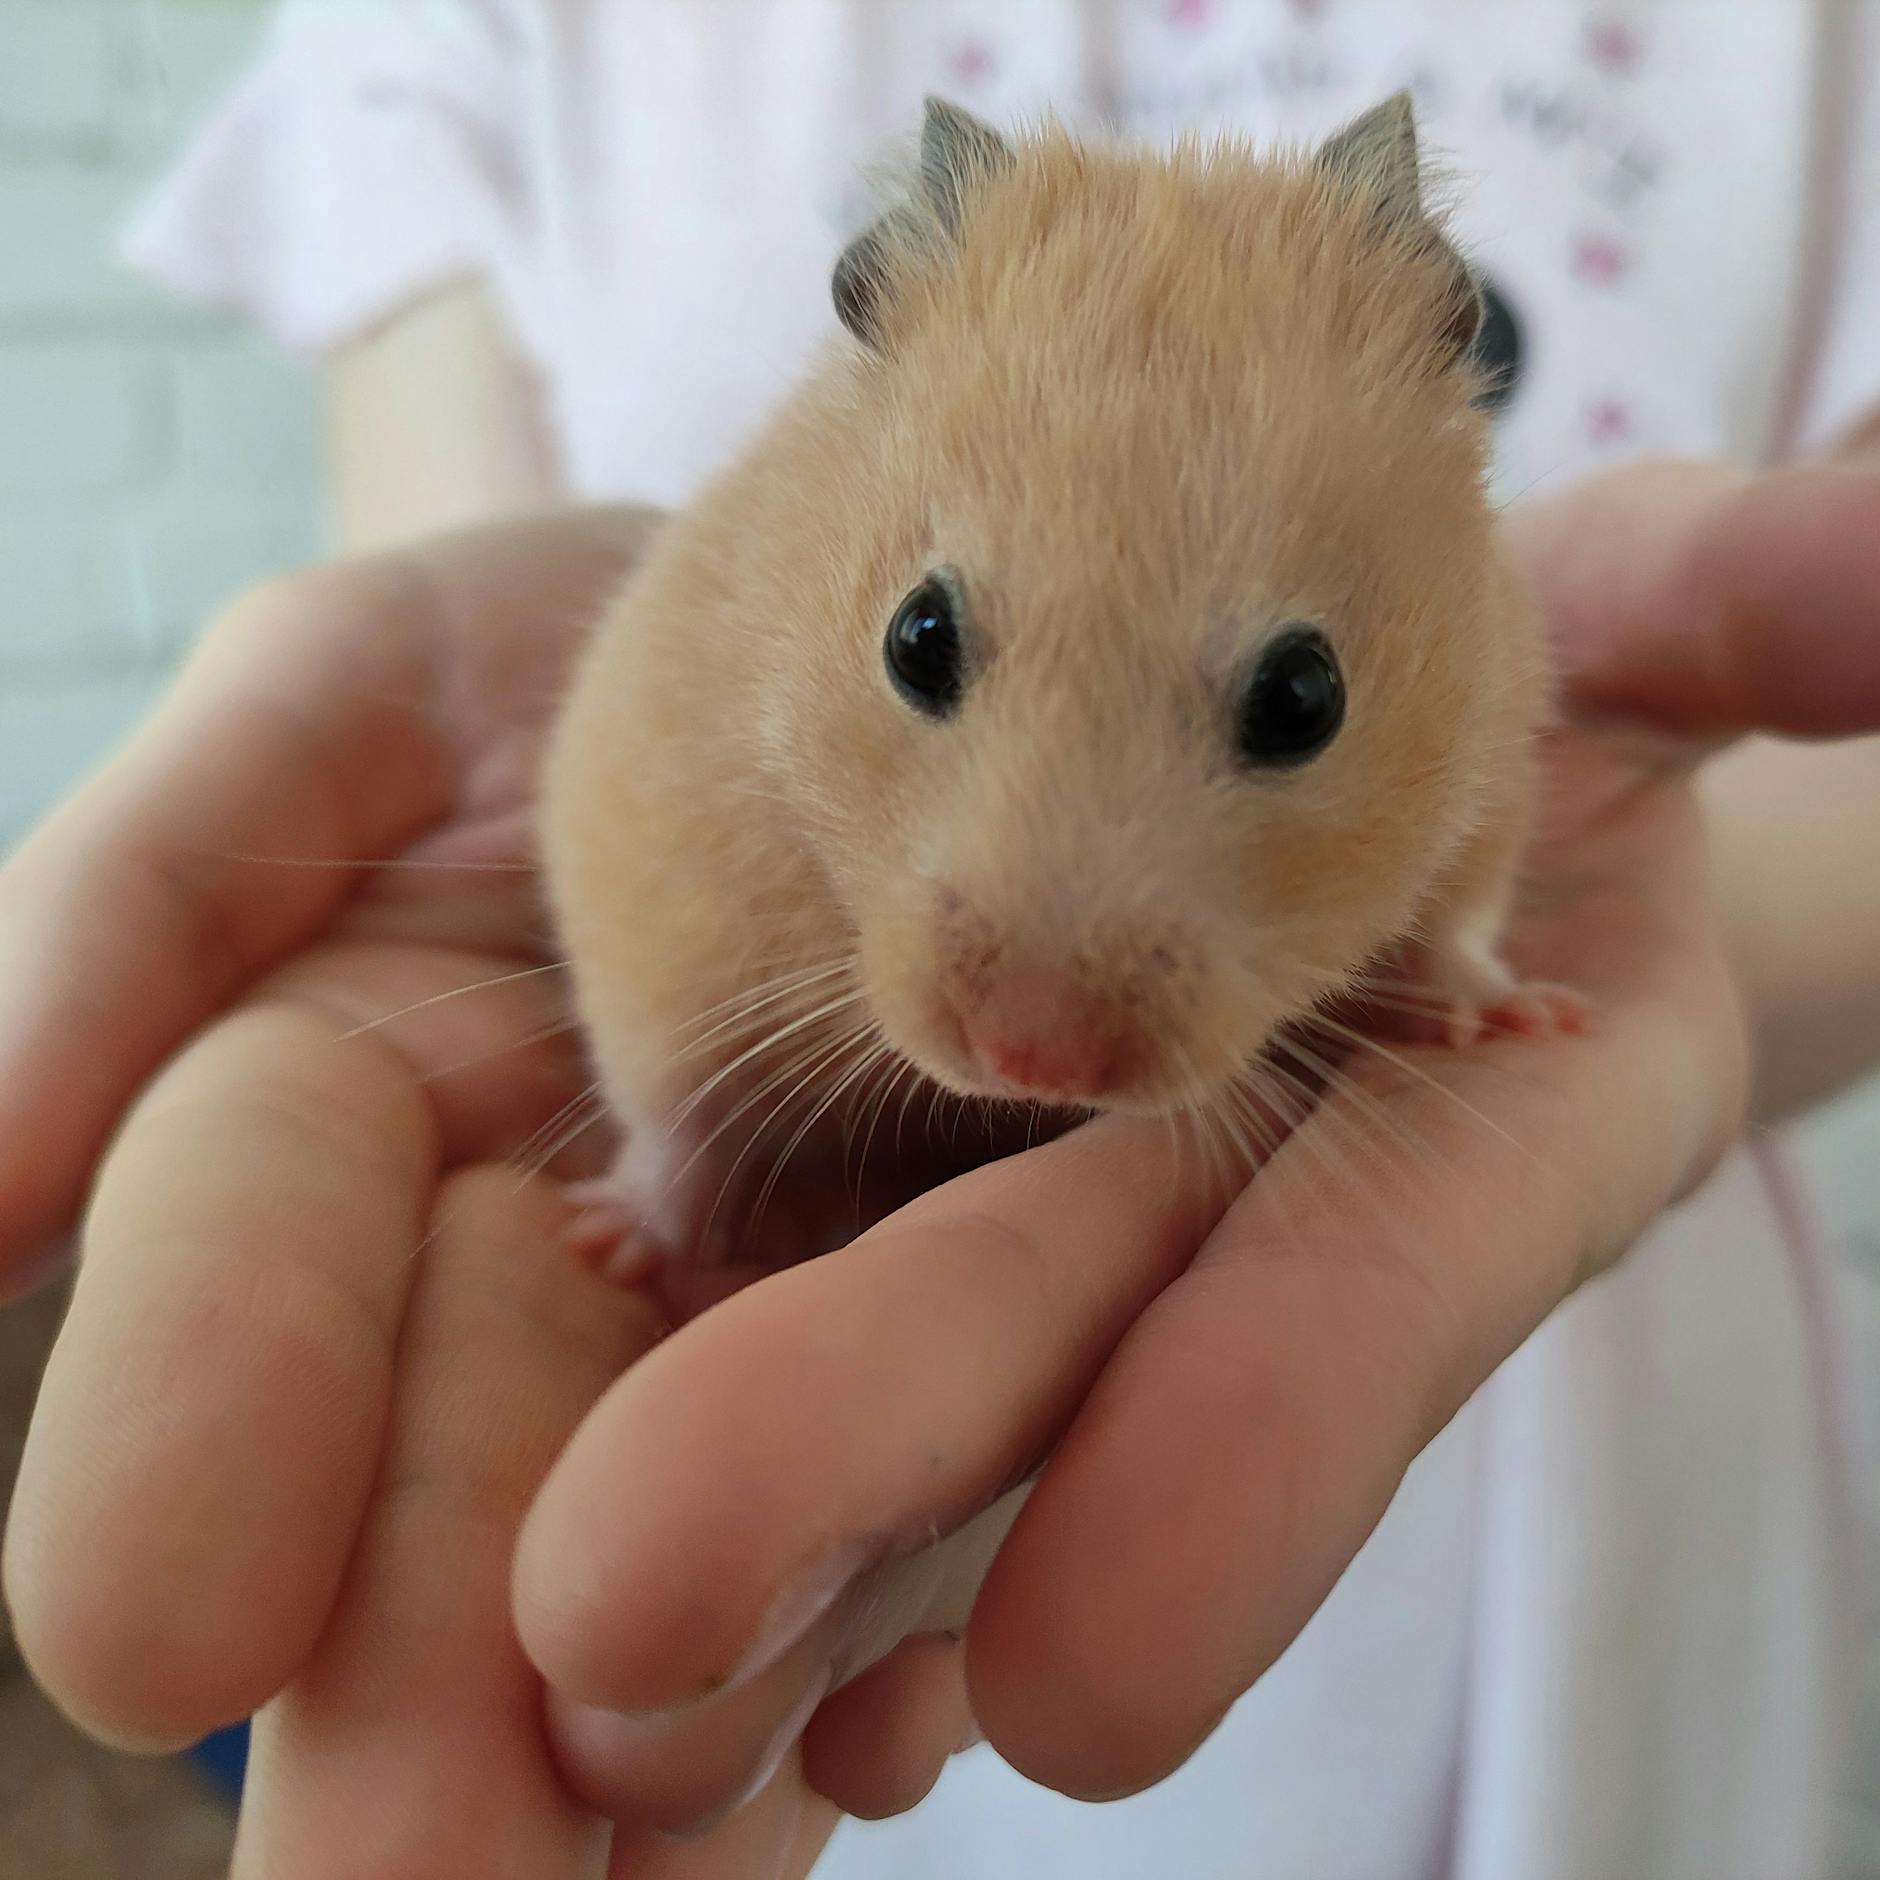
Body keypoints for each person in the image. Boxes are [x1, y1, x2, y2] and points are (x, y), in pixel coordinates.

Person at [3, 2, 1880, 1875]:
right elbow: (607, 785)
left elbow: (1500, 757)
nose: (1043, 1016)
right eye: (927, 651)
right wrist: (678, 1136)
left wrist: (1453, 944)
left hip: (1581, 1489)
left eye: (1288, 705)